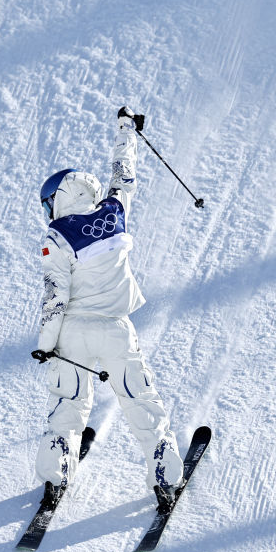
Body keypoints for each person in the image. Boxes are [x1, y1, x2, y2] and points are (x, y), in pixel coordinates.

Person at [30, 106, 183, 512]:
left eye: (47, 203)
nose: (46, 211)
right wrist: (126, 129)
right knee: (140, 399)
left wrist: (46, 344)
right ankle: (165, 474)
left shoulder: (56, 236)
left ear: (58, 199)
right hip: (116, 329)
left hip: (72, 334)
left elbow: (55, 296)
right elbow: (122, 174)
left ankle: (56, 474)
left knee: (68, 402)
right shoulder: (115, 211)